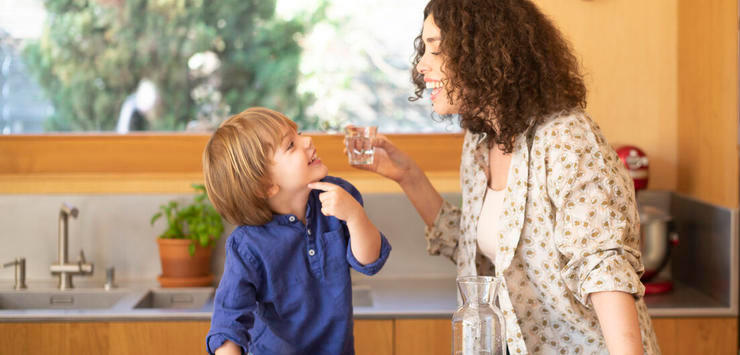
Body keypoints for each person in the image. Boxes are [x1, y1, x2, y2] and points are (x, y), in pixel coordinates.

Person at [353, 0, 659, 354]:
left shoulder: (565, 138)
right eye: (424, 49)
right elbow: (477, 245)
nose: (422, 65)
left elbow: (604, 269)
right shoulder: (481, 143)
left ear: (482, 53)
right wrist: (407, 176)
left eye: (435, 49)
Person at [202, 107, 391, 355]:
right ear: (265, 186)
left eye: (298, 133)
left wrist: (355, 216)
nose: (307, 140)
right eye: (291, 145)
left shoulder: (338, 196)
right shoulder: (247, 245)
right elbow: (228, 323)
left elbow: (370, 260)